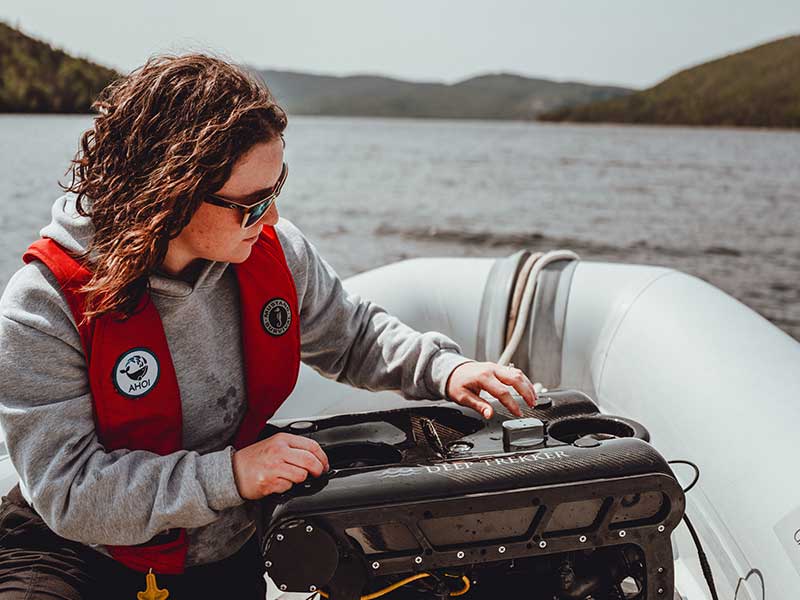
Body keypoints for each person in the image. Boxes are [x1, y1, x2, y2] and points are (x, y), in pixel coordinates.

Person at [0, 53, 536, 599]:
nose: (273, 218)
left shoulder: (274, 253)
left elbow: (350, 335)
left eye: (276, 190)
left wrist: (446, 369)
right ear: (170, 195)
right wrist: (231, 476)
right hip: (71, 555)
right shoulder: (46, 303)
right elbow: (67, 492)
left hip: (221, 549)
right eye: (253, 204)